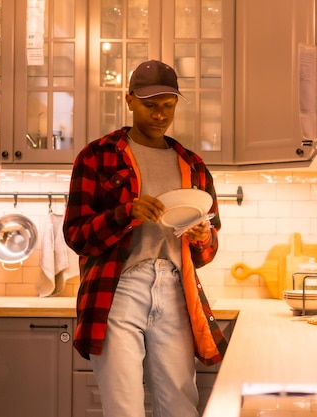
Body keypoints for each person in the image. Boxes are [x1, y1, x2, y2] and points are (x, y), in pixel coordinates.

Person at [63, 59, 226, 417]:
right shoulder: (97, 156)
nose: (160, 114)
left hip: (174, 288)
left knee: (180, 405)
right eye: (150, 105)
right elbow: (76, 235)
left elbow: (208, 250)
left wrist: (201, 235)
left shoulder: (193, 164)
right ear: (130, 100)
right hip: (118, 290)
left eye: (168, 106)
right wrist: (126, 213)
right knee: (123, 407)